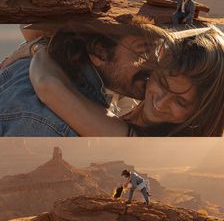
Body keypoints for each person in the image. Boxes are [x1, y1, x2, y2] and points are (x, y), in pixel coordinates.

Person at [27, 26, 224, 137]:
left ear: (204, 110)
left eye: (181, 102)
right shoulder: (128, 100)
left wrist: (40, 48)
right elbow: (31, 26)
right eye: (162, 83)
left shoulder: (143, 141)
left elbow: (48, 84)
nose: (161, 104)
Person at [0, 17, 169, 136]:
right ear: (100, 52)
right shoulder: (53, 128)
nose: (156, 66)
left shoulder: (54, 63)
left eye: (157, 52)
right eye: (143, 53)